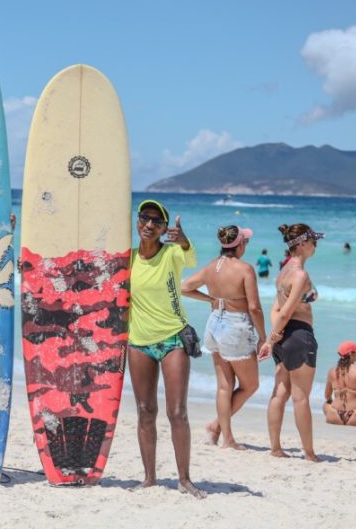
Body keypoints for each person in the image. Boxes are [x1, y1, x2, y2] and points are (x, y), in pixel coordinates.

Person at [127, 199, 206, 498]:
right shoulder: (128, 259)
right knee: (146, 411)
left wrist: (185, 241)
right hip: (139, 342)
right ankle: (149, 478)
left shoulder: (172, 253)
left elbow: (192, 259)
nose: (149, 225)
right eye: (144, 218)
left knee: (177, 412)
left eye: (156, 222)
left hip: (174, 338)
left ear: (163, 228)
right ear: (137, 222)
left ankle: (184, 479)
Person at [182, 226, 267, 450]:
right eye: (245, 242)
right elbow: (254, 307)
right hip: (236, 326)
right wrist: (263, 336)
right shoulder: (245, 269)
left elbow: (185, 287)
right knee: (250, 385)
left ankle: (221, 433)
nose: (246, 246)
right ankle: (220, 430)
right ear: (240, 244)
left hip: (214, 323)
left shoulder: (212, 267)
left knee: (224, 386)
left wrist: (211, 299)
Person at [266, 223, 323, 462]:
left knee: (280, 392)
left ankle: (276, 448)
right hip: (299, 334)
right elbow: (287, 311)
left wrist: (275, 334)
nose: (315, 245)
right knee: (300, 397)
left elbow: (276, 308)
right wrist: (271, 339)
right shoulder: (300, 273)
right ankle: (309, 453)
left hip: (284, 336)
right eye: (313, 241)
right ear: (301, 244)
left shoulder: (283, 271)